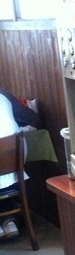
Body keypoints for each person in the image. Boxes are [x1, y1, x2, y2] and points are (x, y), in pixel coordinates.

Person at [0, 89, 28, 240]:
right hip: (15, 165)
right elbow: (32, 118)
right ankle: (8, 221)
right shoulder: (4, 94)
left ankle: (6, 222)